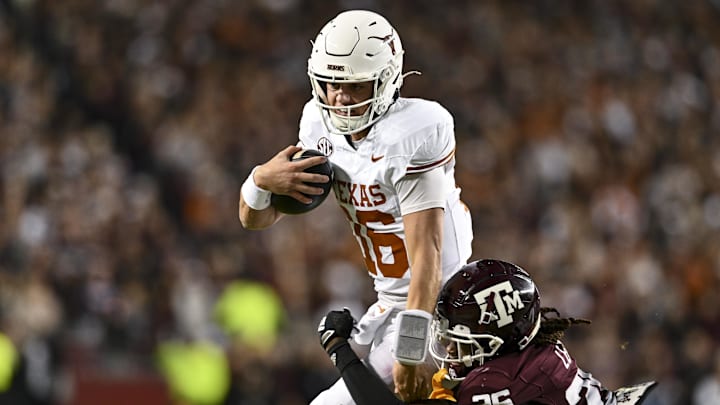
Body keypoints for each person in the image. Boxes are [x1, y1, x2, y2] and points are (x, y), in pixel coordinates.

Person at [238, 9, 473, 404]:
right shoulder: (317, 124)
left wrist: (412, 350)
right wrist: (260, 180)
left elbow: (428, 256)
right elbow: (254, 220)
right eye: (331, 85)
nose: (340, 98)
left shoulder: (414, 130)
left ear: (385, 81)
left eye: (355, 86)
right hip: (389, 305)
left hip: (438, 308)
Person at [316, 259, 658, 405]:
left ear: (498, 341)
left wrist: (338, 349)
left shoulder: (494, 381)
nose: (449, 350)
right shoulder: (530, 355)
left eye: (463, 342)